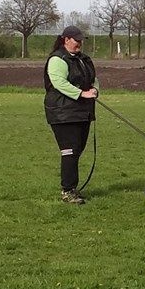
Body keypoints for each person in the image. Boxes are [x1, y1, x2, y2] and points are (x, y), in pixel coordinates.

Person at [44, 25, 99, 204]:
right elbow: (58, 82)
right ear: (66, 40)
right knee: (70, 151)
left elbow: (93, 79)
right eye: (76, 40)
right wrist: (81, 93)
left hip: (82, 112)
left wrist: (94, 89)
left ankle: (72, 188)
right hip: (62, 113)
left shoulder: (83, 59)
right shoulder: (57, 59)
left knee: (77, 150)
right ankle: (67, 191)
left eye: (81, 40)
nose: (79, 44)